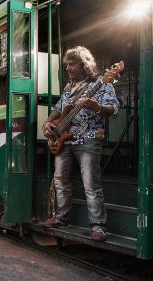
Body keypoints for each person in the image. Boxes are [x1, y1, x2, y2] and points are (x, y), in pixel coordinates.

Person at [41, 46, 119, 241]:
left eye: (71, 64)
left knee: (91, 183)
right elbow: (58, 109)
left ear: (84, 64)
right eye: (66, 64)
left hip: (89, 139)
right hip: (64, 140)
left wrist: (98, 107)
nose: (67, 68)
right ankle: (60, 218)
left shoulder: (103, 84)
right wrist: (48, 122)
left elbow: (114, 109)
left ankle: (98, 226)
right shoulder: (69, 87)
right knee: (60, 180)